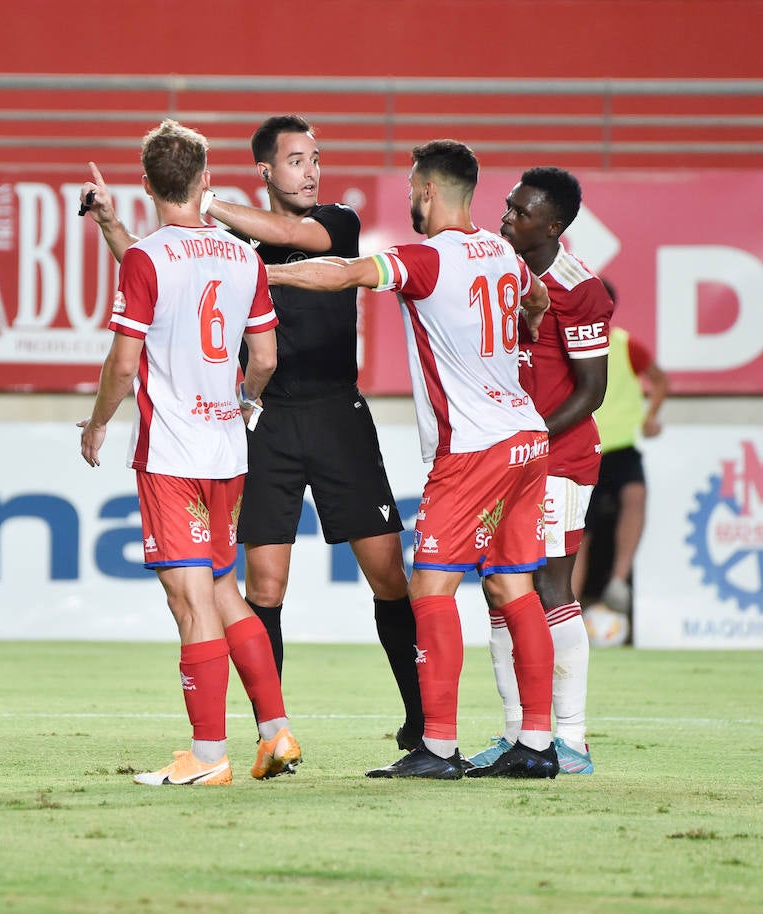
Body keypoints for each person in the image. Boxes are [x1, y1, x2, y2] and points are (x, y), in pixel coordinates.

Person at [79, 114, 422, 750]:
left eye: (316, 157)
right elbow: (161, 275)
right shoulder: (236, 251)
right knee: (262, 587)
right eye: (297, 160)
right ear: (265, 169)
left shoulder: (336, 222)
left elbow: (286, 234)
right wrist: (112, 226)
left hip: (337, 414)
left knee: (387, 577)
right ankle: (272, 729)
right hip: (264, 423)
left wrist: (201, 200)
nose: (312, 169)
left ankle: (422, 724)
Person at [267, 139, 558, 779]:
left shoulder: (426, 259)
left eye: (411, 194)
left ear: (428, 193)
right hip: (527, 438)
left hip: (474, 447)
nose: (410, 204)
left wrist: (267, 275)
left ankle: (441, 748)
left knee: (430, 588)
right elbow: (536, 302)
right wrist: (526, 327)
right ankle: (538, 745)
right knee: (514, 588)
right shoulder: (504, 254)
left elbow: (341, 273)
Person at [77, 119, 302, 787]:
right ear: (207, 180)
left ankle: (206, 759)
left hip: (172, 455)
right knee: (224, 591)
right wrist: (247, 400)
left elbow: (123, 366)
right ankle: (275, 734)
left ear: (146, 184)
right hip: (227, 450)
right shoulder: (243, 256)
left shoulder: (148, 259)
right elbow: (263, 357)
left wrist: (95, 425)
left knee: (190, 600)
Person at [468, 167, 614, 776]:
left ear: (553, 226)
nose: (506, 217)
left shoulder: (580, 289)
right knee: (500, 593)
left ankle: (572, 739)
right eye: (507, 205)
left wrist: (528, 440)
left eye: (520, 211)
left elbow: (591, 391)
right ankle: (518, 735)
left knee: (551, 589)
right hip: (506, 457)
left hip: (556, 461)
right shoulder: (500, 270)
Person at [572, 278, 671, 624]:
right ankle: (568, 609)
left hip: (621, 445)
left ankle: (618, 581)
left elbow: (660, 379)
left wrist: (650, 417)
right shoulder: (568, 344)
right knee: (579, 532)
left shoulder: (625, 345)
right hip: (583, 448)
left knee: (635, 498)